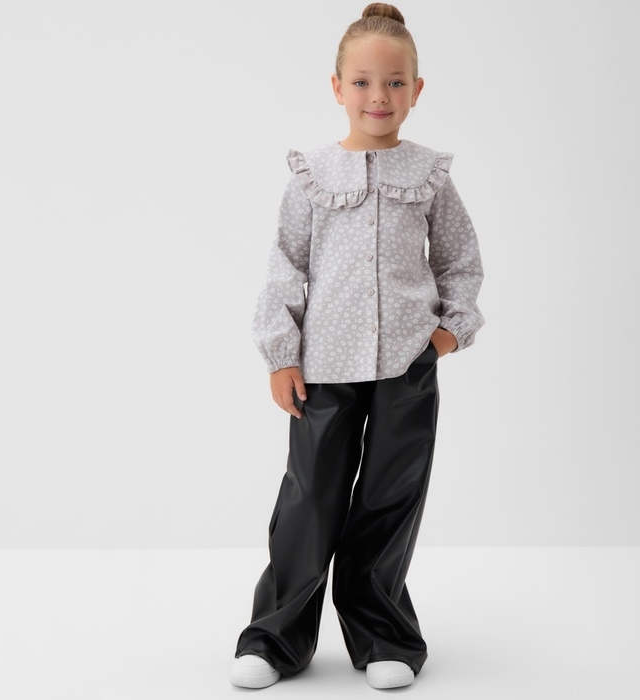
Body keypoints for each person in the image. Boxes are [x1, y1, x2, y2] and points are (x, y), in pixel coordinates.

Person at [230, 2, 484, 690]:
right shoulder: (311, 175)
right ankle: (275, 639)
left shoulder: (430, 175)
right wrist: (281, 355)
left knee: (388, 500)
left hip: (407, 364)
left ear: (417, 90)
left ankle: (383, 637)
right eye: (365, 82)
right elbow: (285, 267)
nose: (380, 96)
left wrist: (446, 334)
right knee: (309, 500)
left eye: (396, 82)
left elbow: (460, 262)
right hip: (322, 367)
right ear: (337, 87)